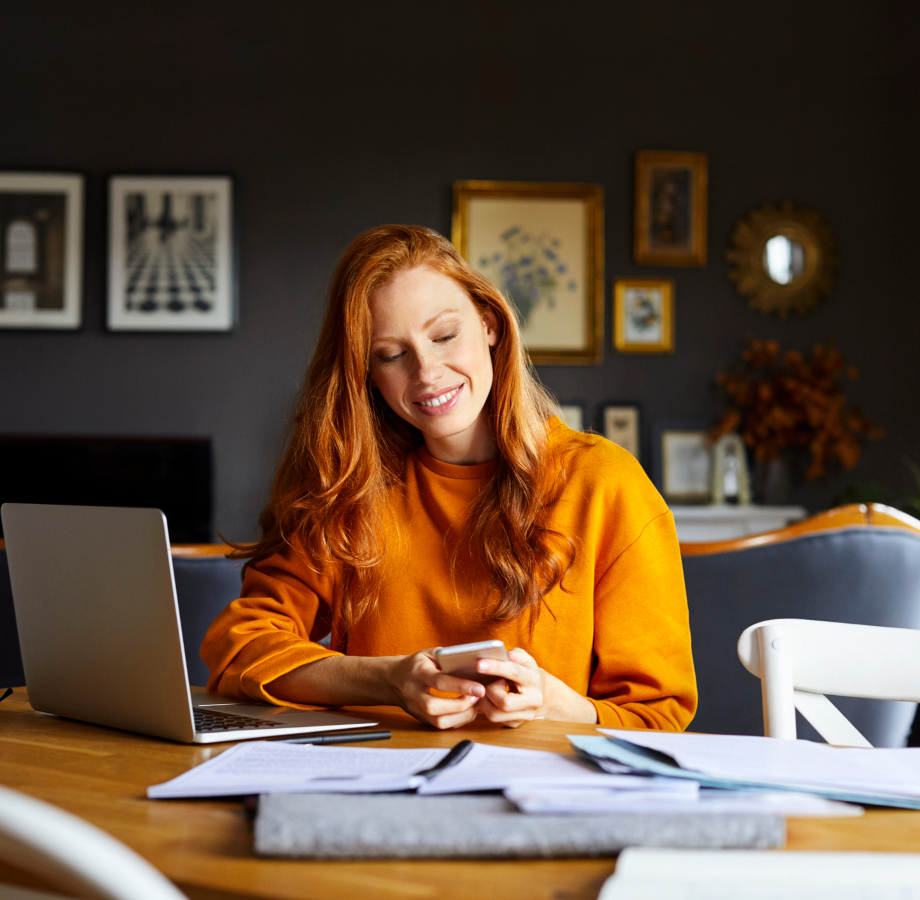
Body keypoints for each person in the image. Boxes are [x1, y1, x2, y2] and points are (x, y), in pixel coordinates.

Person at [201, 225, 696, 731]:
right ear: (367, 374)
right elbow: (240, 647)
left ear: (490, 325)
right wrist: (390, 680)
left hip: (545, 793)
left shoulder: (604, 483)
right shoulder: (355, 488)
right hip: (378, 788)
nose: (427, 372)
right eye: (392, 355)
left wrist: (552, 703)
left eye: (444, 336)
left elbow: (658, 715)